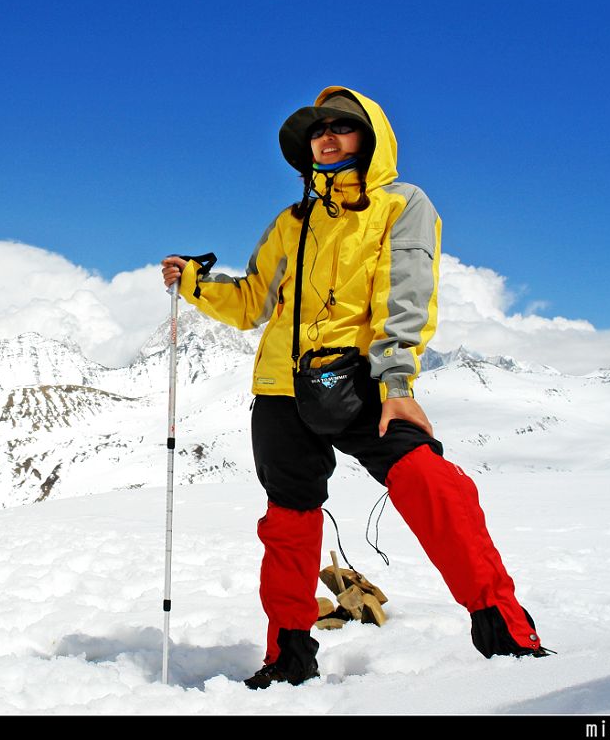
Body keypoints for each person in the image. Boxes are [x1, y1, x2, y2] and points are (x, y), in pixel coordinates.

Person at [161, 86, 547, 690]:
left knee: (431, 483)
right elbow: (251, 304)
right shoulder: (292, 223)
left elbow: (407, 292)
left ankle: (504, 628)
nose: (327, 136)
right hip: (281, 392)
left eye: (343, 126)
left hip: (362, 383)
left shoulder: (401, 204)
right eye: (318, 129)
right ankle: (287, 656)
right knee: (288, 523)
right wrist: (195, 284)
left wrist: (398, 380)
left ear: (371, 137)